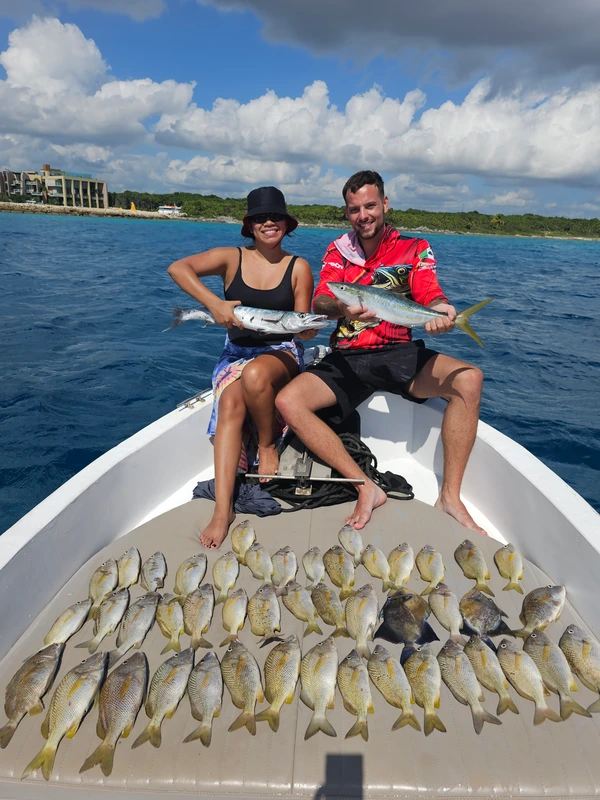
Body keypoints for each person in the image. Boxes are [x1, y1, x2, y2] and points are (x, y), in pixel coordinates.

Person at [276, 170, 486, 534]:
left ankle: (450, 497)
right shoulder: (338, 250)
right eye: (354, 209)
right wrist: (341, 308)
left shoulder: (415, 248)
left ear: (385, 204)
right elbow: (322, 299)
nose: (363, 215)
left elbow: (428, 289)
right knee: (287, 401)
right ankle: (365, 486)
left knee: (469, 380)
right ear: (347, 212)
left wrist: (440, 310)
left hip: (397, 352)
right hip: (348, 357)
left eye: (370, 206)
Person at [167, 186, 316, 549]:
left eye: (276, 217)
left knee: (255, 374)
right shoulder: (230, 258)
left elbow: (302, 324)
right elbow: (178, 268)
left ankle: (266, 445)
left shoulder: (298, 267)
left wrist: (309, 329)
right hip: (235, 352)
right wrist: (214, 304)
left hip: (280, 352)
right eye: (260, 218)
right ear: (250, 225)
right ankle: (223, 510)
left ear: (287, 224)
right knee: (230, 403)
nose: (269, 223)